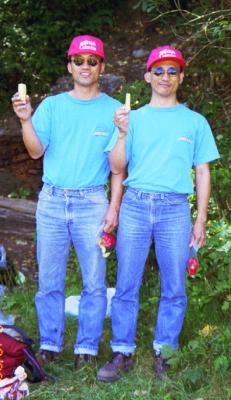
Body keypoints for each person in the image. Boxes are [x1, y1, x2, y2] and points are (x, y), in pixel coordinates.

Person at [97, 45, 220, 382]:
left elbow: (203, 172)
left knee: (175, 287)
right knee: (126, 284)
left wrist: (201, 220)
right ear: (148, 76)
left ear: (181, 78)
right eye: (159, 70)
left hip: (175, 210)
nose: (166, 77)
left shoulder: (195, 122)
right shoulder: (131, 118)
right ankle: (122, 351)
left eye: (172, 71)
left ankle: (164, 352)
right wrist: (122, 133)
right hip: (136, 205)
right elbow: (116, 166)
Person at [11, 34, 124, 369]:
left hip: (92, 202)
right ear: (70, 65)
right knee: (49, 279)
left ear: (101, 66)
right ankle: (49, 343)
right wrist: (25, 119)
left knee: (94, 279)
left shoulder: (115, 111)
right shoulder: (52, 106)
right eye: (79, 60)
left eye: (92, 61)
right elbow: (35, 151)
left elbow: (118, 168)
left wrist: (113, 206)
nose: (85, 66)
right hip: (52, 201)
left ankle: (86, 348)